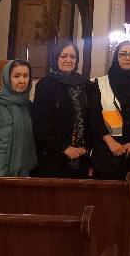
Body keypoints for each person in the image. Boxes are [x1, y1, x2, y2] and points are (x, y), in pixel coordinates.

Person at [88, 41, 130, 210]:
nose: (128, 57)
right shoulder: (99, 83)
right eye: (123, 54)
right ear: (116, 57)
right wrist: (111, 142)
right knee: (108, 204)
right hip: (108, 154)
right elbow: (94, 117)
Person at [30, 40, 90, 178]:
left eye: (72, 57)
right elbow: (41, 124)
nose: (68, 60)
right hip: (54, 156)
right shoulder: (45, 85)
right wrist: (64, 148)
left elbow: (91, 118)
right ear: (56, 58)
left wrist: (86, 147)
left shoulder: (85, 84)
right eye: (63, 56)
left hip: (81, 155)